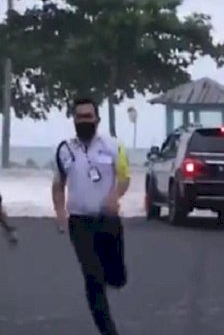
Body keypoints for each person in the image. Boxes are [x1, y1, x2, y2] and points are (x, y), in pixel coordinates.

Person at [51, 98, 131, 335]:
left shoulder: (113, 146)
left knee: (116, 277)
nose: (84, 121)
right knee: (93, 277)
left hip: (108, 220)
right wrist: (60, 213)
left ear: (97, 119)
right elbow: (58, 184)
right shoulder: (64, 149)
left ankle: (113, 275)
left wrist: (115, 195)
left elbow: (125, 176)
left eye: (88, 116)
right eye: (79, 117)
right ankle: (108, 331)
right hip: (80, 222)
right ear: (74, 120)